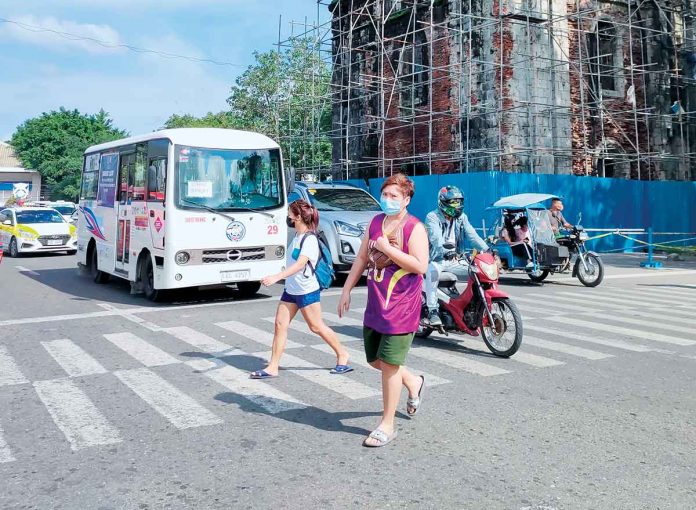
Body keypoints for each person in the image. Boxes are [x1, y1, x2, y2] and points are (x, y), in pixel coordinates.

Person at [338, 174, 429, 448]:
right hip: (377, 302)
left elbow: (420, 265)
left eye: (394, 196)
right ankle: (413, 381)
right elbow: (363, 257)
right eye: (385, 194)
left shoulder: (415, 228)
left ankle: (387, 424)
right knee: (375, 360)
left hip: (402, 305)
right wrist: (346, 289)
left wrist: (389, 248)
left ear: (406, 200)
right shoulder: (376, 222)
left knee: (389, 365)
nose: (388, 200)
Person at [250, 199, 352, 379]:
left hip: (306, 290)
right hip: (291, 289)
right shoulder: (297, 236)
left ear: (298, 217)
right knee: (280, 325)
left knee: (316, 326)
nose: (288, 217)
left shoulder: (310, 239)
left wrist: (277, 277)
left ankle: (342, 354)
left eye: (290, 214)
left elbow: (300, 264)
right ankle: (273, 366)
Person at [423, 185, 489, 327]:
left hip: (455, 260)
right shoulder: (432, 217)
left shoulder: (461, 218)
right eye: (454, 202)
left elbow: (472, 235)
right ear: (443, 202)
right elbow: (436, 239)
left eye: (459, 202)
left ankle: (473, 306)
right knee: (432, 273)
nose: (457, 205)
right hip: (436, 259)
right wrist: (445, 250)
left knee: (477, 272)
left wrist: (487, 249)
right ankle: (432, 310)